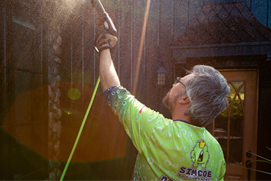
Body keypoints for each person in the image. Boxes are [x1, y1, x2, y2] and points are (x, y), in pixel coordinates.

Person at [95, 27, 230, 181]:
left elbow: (114, 92)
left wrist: (104, 45)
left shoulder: (159, 130)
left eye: (179, 81)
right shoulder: (216, 150)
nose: (173, 85)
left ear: (185, 98)